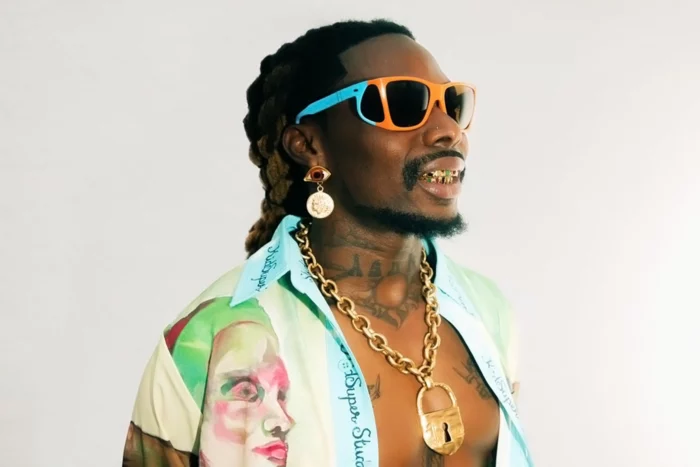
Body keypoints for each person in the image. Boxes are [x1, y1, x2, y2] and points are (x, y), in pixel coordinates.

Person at [123, 18, 533, 467]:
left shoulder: (487, 311)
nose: (449, 131)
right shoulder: (213, 336)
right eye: (402, 103)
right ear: (309, 145)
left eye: (452, 105)